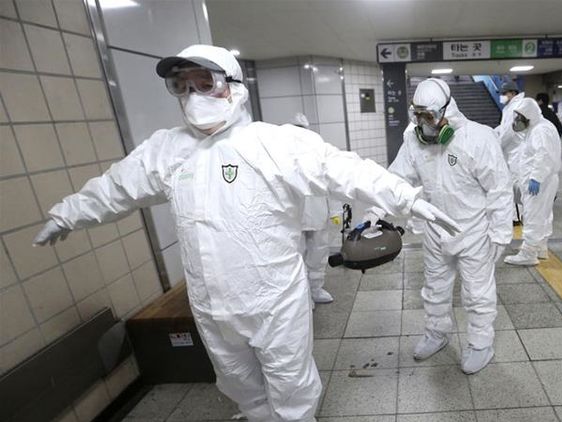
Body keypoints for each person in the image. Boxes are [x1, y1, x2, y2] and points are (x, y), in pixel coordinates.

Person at [32, 45, 460, 422]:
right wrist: (69, 213)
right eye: (182, 85)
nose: (194, 95)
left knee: (289, 381)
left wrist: (406, 198)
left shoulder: (270, 143)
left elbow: (343, 169)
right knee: (236, 381)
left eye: (205, 83)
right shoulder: (167, 150)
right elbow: (117, 186)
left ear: (233, 88)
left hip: (273, 300)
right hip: (211, 306)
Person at [364, 78, 514, 374]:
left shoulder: (478, 138)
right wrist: (376, 210)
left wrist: (500, 234)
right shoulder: (414, 141)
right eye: (418, 116)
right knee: (434, 288)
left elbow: (499, 189)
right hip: (435, 231)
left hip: (474, 232)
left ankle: (481, 344)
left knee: (477, 293)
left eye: (429, 116)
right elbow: (397, 180)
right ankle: (437, 334)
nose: (425, 124)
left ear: (447, 110)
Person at [504, 98, 561, 266]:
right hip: (544, 179)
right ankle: (540, 247)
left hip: (538, 181)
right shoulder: (538, 127)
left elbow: (544, 155)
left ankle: (528, 253)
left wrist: (536, 177)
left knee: (533, 214)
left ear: (529, 116)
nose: (517, 121)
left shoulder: (540, 130)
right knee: (543, 214)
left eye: (520, 117)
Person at [289, 112, 334, 304]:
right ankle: (304, 296)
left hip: (317, 210)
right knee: (297, 255)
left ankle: (316, 289)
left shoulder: (317, 151)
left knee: (319, 252)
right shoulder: (282, 155)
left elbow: (331, 181)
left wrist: (335, 211)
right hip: (295, 214)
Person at [494, 80, 526, 223]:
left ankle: (517, 216)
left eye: (504, 93)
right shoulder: (509, 107)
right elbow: (503, 128)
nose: (502, 96)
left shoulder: (516, 107)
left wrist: (498, 145)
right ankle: (515, 214)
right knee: (512, 183)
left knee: (516, 183)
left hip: (516, 152)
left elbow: (510, 132)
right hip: (511, 151)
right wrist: (492, 132)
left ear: (513, 93)